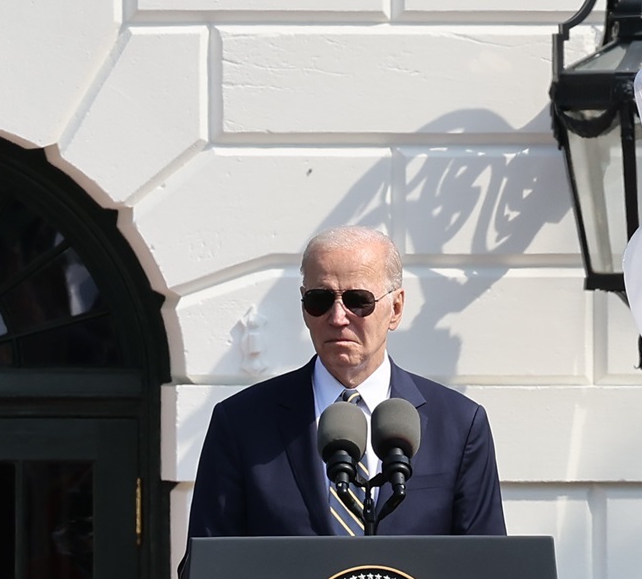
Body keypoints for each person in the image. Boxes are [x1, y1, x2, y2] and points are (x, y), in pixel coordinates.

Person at [186, 225, 506, 541]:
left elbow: (487, 565)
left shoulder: (459, 425)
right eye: (320, 300)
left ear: (395, 309)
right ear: (304, 307)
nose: (338, 317)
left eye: (358, 300)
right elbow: (207, 566)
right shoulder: (241, 423)